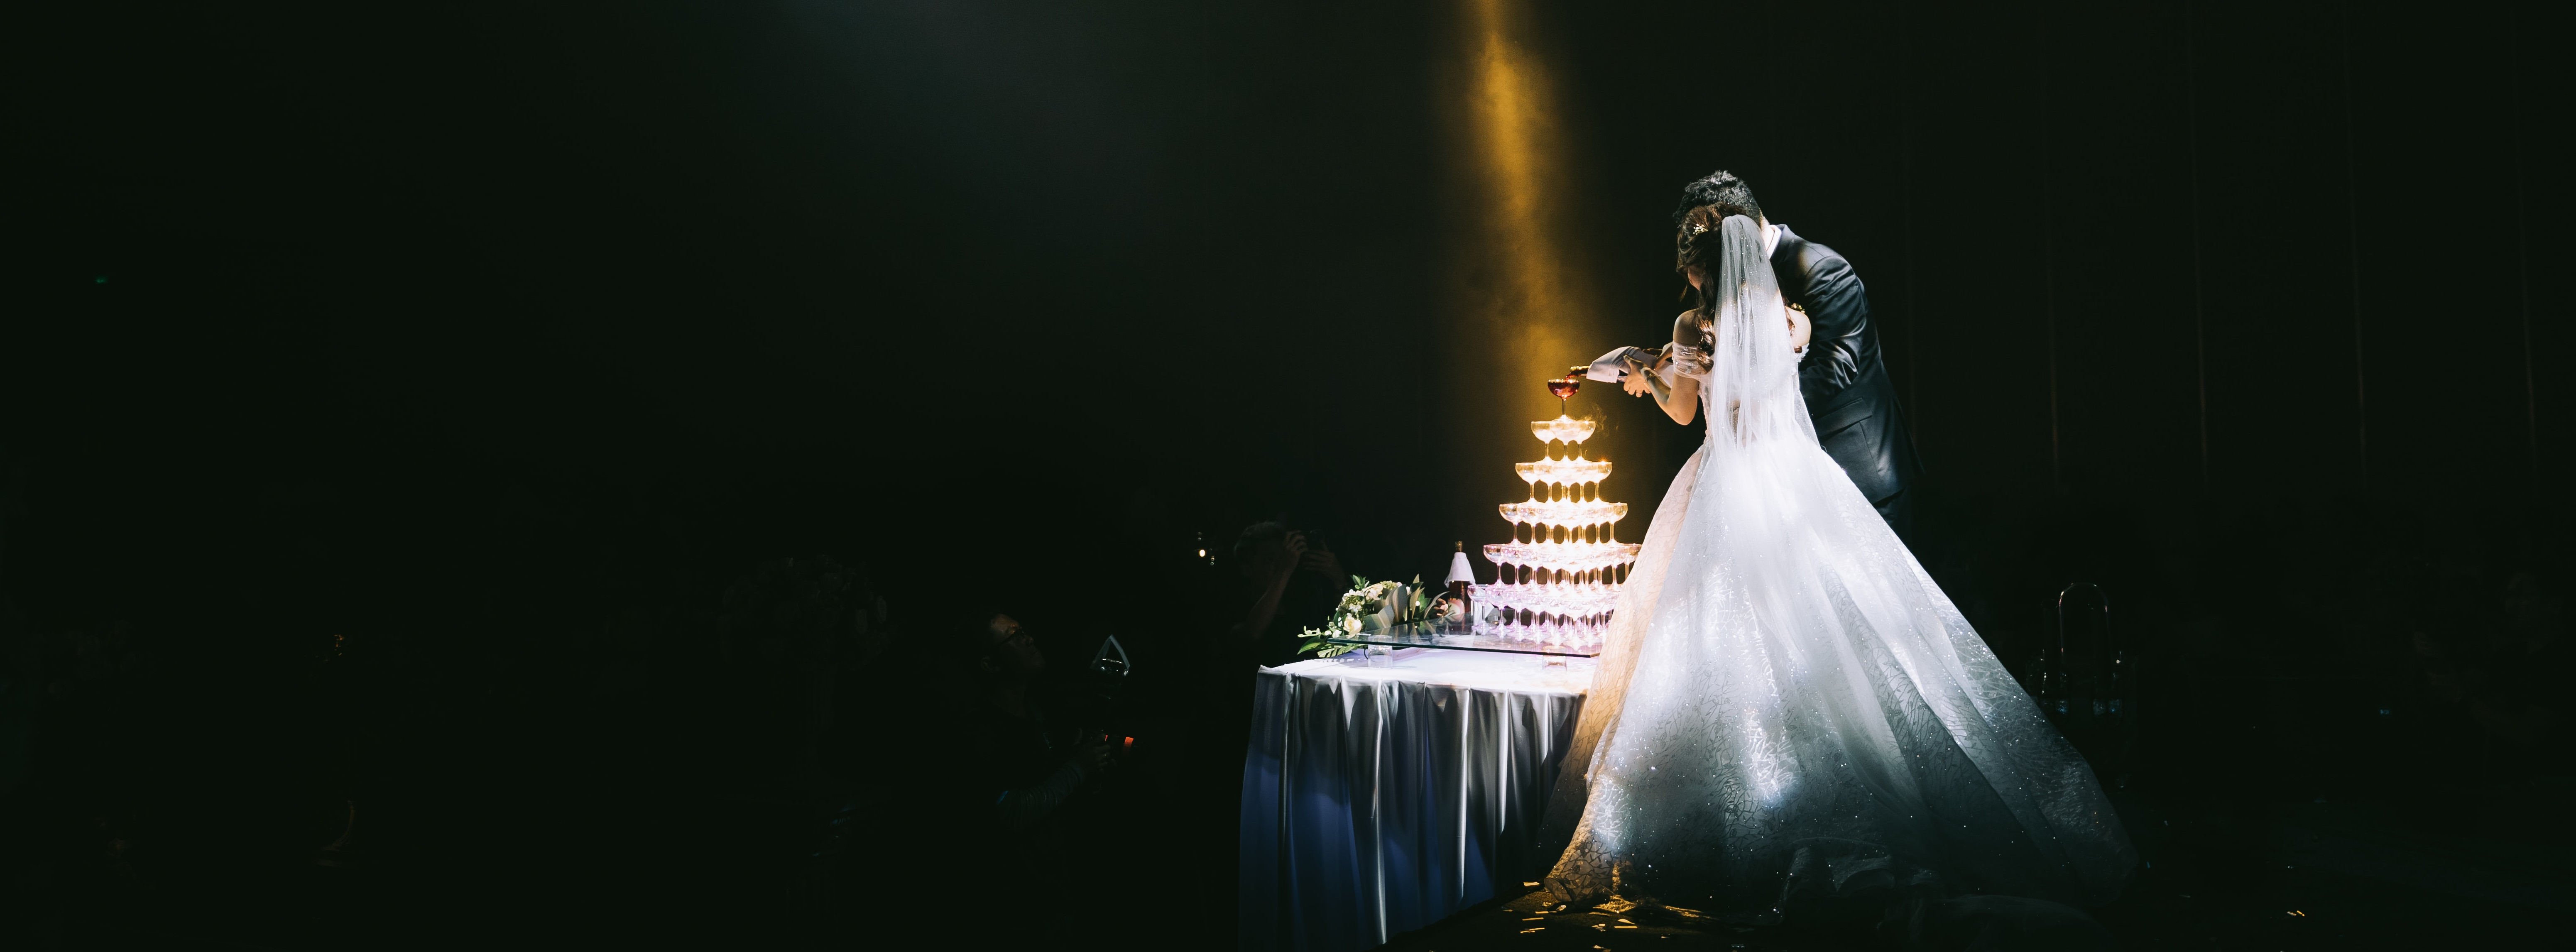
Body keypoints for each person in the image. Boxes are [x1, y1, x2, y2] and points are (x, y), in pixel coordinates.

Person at [1540, 208, 2135, 921]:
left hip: (1722, 479)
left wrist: (1642, 372)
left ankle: (1720, 822)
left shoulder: (1689, 330)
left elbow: (1679, 412)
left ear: (1696, 270)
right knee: (1825, 626)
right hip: (1790, 476)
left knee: (1706, 633)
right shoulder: (1785, 318)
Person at [1623, 170, 1923, 542]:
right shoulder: (1750, 296)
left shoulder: (1820, 268)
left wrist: (1747, 408)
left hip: (1852, 471)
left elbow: (1836, 368)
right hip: (1775, 483)